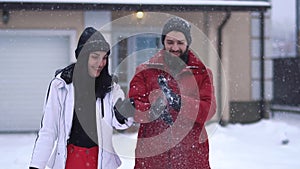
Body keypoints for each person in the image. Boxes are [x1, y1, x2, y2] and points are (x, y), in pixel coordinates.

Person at [29, 27, 134, 169]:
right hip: (71, 159)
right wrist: (36, 166)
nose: (100, 63)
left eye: (104, 58)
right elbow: (48, 130)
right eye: (95, 57)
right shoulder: (61, 86)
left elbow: (121, 123)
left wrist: (124, 112)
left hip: (100, 160)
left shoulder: (110, 87)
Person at [128, 16, 217, 169]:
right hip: (152, 155)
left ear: (188, 43)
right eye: (170, 42)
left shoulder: (203, 73)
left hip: (191, 155)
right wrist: (152, 110)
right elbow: (134, 106)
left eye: (180, 42)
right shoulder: (144, 71)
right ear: (163, 42)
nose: (175, 47)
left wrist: (181, 102)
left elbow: (208, 110)